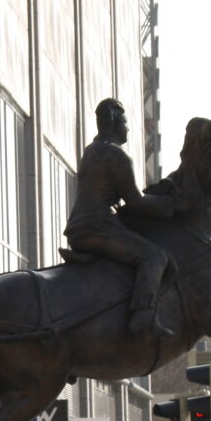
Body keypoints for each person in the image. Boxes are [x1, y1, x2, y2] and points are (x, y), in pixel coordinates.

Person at [64, 98, 176, 338]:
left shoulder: (92, 150)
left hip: (78, 229)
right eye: (124, 122)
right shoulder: (117, 155)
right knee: (154, 256)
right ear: (114, 123)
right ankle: (143, 317)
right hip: (98, 227)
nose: (127, 128)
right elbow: (135, 201)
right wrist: (170, 205)